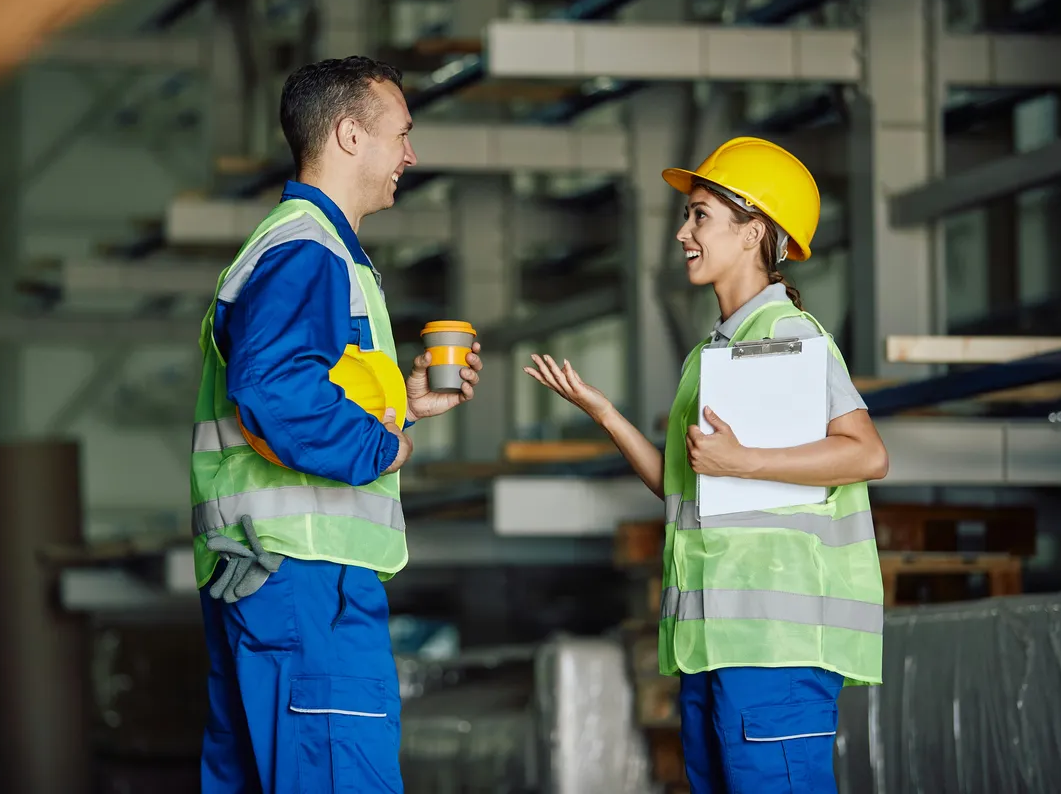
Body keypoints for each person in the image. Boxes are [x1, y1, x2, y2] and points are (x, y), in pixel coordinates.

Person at [524, 136, 888, 794]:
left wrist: (744, 460)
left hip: (777, 647)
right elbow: (679, 485)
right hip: (715, 643)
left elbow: (866, 452)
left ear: (754, 233)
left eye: (699, 216)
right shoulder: (712, 354)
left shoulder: (790, 336)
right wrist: (603, 412)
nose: (682, 233)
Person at [188, 56, 482, 794]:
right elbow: (273, 389)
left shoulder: (312, 250)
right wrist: (382, 444)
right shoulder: (308, 251)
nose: (410, 156)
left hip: (269, 573)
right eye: (401, 135)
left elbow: (298, 383)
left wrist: (404, 401)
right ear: (351, 136)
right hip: (305, 579)